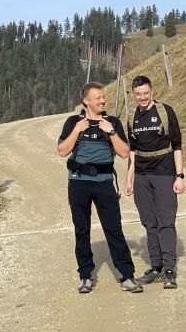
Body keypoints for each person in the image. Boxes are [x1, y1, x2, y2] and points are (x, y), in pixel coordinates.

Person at [57, 82, 142, 294]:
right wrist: (77, 130)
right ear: (86, 101)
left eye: (103, 97)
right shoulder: (73, 122)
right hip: (78, 183)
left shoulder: (112, 122)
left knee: (114, 229)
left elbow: (124, 153)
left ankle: (127, 276)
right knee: (82, 230)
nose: (103, 101)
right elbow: (62, 151)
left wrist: (111, 131)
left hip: (104, 183)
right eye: (98, 98)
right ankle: (85, 276)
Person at [123, 76, 184, 289]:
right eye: (138, 94)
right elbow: (132, 151)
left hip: (164, 173)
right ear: (133, 94)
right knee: (149, 222)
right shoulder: (132, 117)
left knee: (166, 222)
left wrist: (179, 176)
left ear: (152, 91)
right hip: (141, 176)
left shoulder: (165, 112)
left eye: (146, 93)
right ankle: (156, 266)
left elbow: (177, 145)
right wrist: (129, 180)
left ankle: (169, 269)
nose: (142, 97)